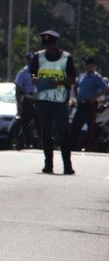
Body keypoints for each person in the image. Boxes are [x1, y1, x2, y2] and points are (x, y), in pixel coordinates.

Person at [30, 29, 77, 175]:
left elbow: (72, 79)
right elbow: (33, 74)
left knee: (63, 133)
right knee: (46, 132)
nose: (48, 48)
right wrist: (35, 79)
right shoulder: (38, 57)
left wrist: (58, 82)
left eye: (50, 45)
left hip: (59, 100)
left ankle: (67, 165)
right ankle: (48, 164)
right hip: (42, 100)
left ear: (55, 44)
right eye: (46, 45)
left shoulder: (66, 58)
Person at [71, 57, 108, 152]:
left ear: (93, 66)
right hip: (81, 103)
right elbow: (76, 86)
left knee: (90, 126)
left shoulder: (96, 77)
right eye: (86, 64)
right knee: (75, 124)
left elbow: (105, 88)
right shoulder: (82, 76)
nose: (87, 66)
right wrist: (77, 96)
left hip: (90, 104)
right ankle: (73, 145)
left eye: (89, 64)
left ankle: (88, 146)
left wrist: (95, 97)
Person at [14, 52, 37, 149]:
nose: (30, 61)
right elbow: (18, 89)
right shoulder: (23, 73)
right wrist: (19, 104)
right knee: (25, 122)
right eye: (29, 59)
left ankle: (39, 141)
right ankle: (27, 141)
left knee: (40, 122)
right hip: (27, 99)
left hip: (37, 99)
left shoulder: (37, 71)